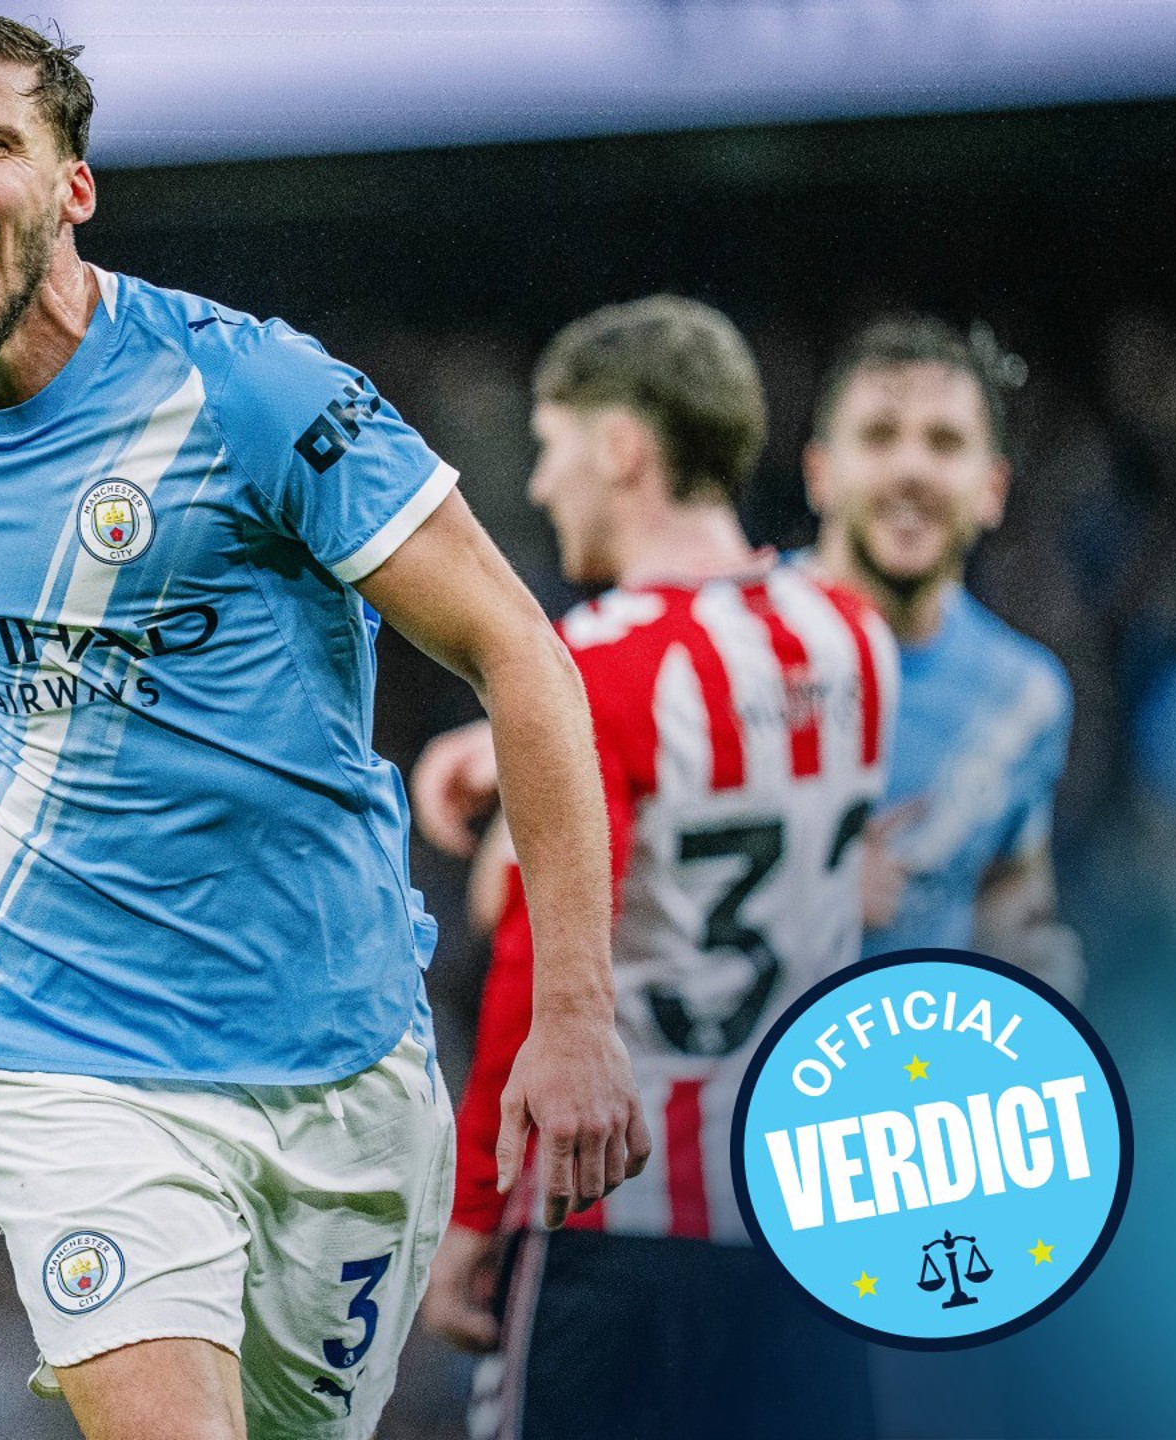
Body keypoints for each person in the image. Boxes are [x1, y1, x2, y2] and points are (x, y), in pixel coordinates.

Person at [0, 14, 648, 1439]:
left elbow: (518, 652)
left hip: (338, 1056)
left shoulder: (255, 391)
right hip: (65, 1053)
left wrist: (578, 1011)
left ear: (73, 186)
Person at [411, 297, 895, 1440]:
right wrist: (510, 759)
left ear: (622, 448)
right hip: (810, 1226)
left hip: (621, 1232)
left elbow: (538, 963)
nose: (538, 484)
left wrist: (476, 1210)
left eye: (550, 444)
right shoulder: (851, 637)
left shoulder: (590, 667)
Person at [804, 318, 1079, 991]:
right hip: (729, 1089)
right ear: (819, 474)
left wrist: (1037, 970)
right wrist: (798, 888)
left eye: (945, 442)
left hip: (904, 1084)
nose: (911, 468)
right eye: (878, 436)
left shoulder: (1026, 695)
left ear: (993, 488)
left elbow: (1007, 890)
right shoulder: (718, 649)